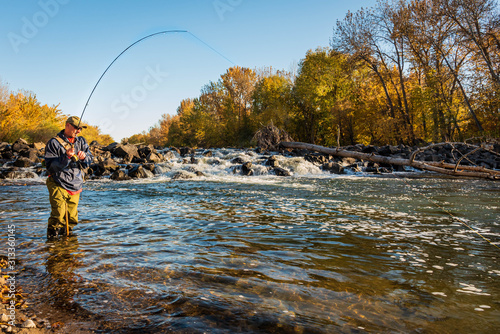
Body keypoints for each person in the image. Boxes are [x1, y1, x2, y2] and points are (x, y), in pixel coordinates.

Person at [44, 116, 93, 239]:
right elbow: (50, 166)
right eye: (76, 128)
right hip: (57, 182)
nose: (78, 131)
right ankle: (52, 243)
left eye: (80, 128)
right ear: (67, 125)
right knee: (58, 215)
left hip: (75, 184)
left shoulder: (81, 142)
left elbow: (89, 160)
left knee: (72, 218)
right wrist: (65, 157)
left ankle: (67, 246)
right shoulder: (53, 143)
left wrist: (84, 157)